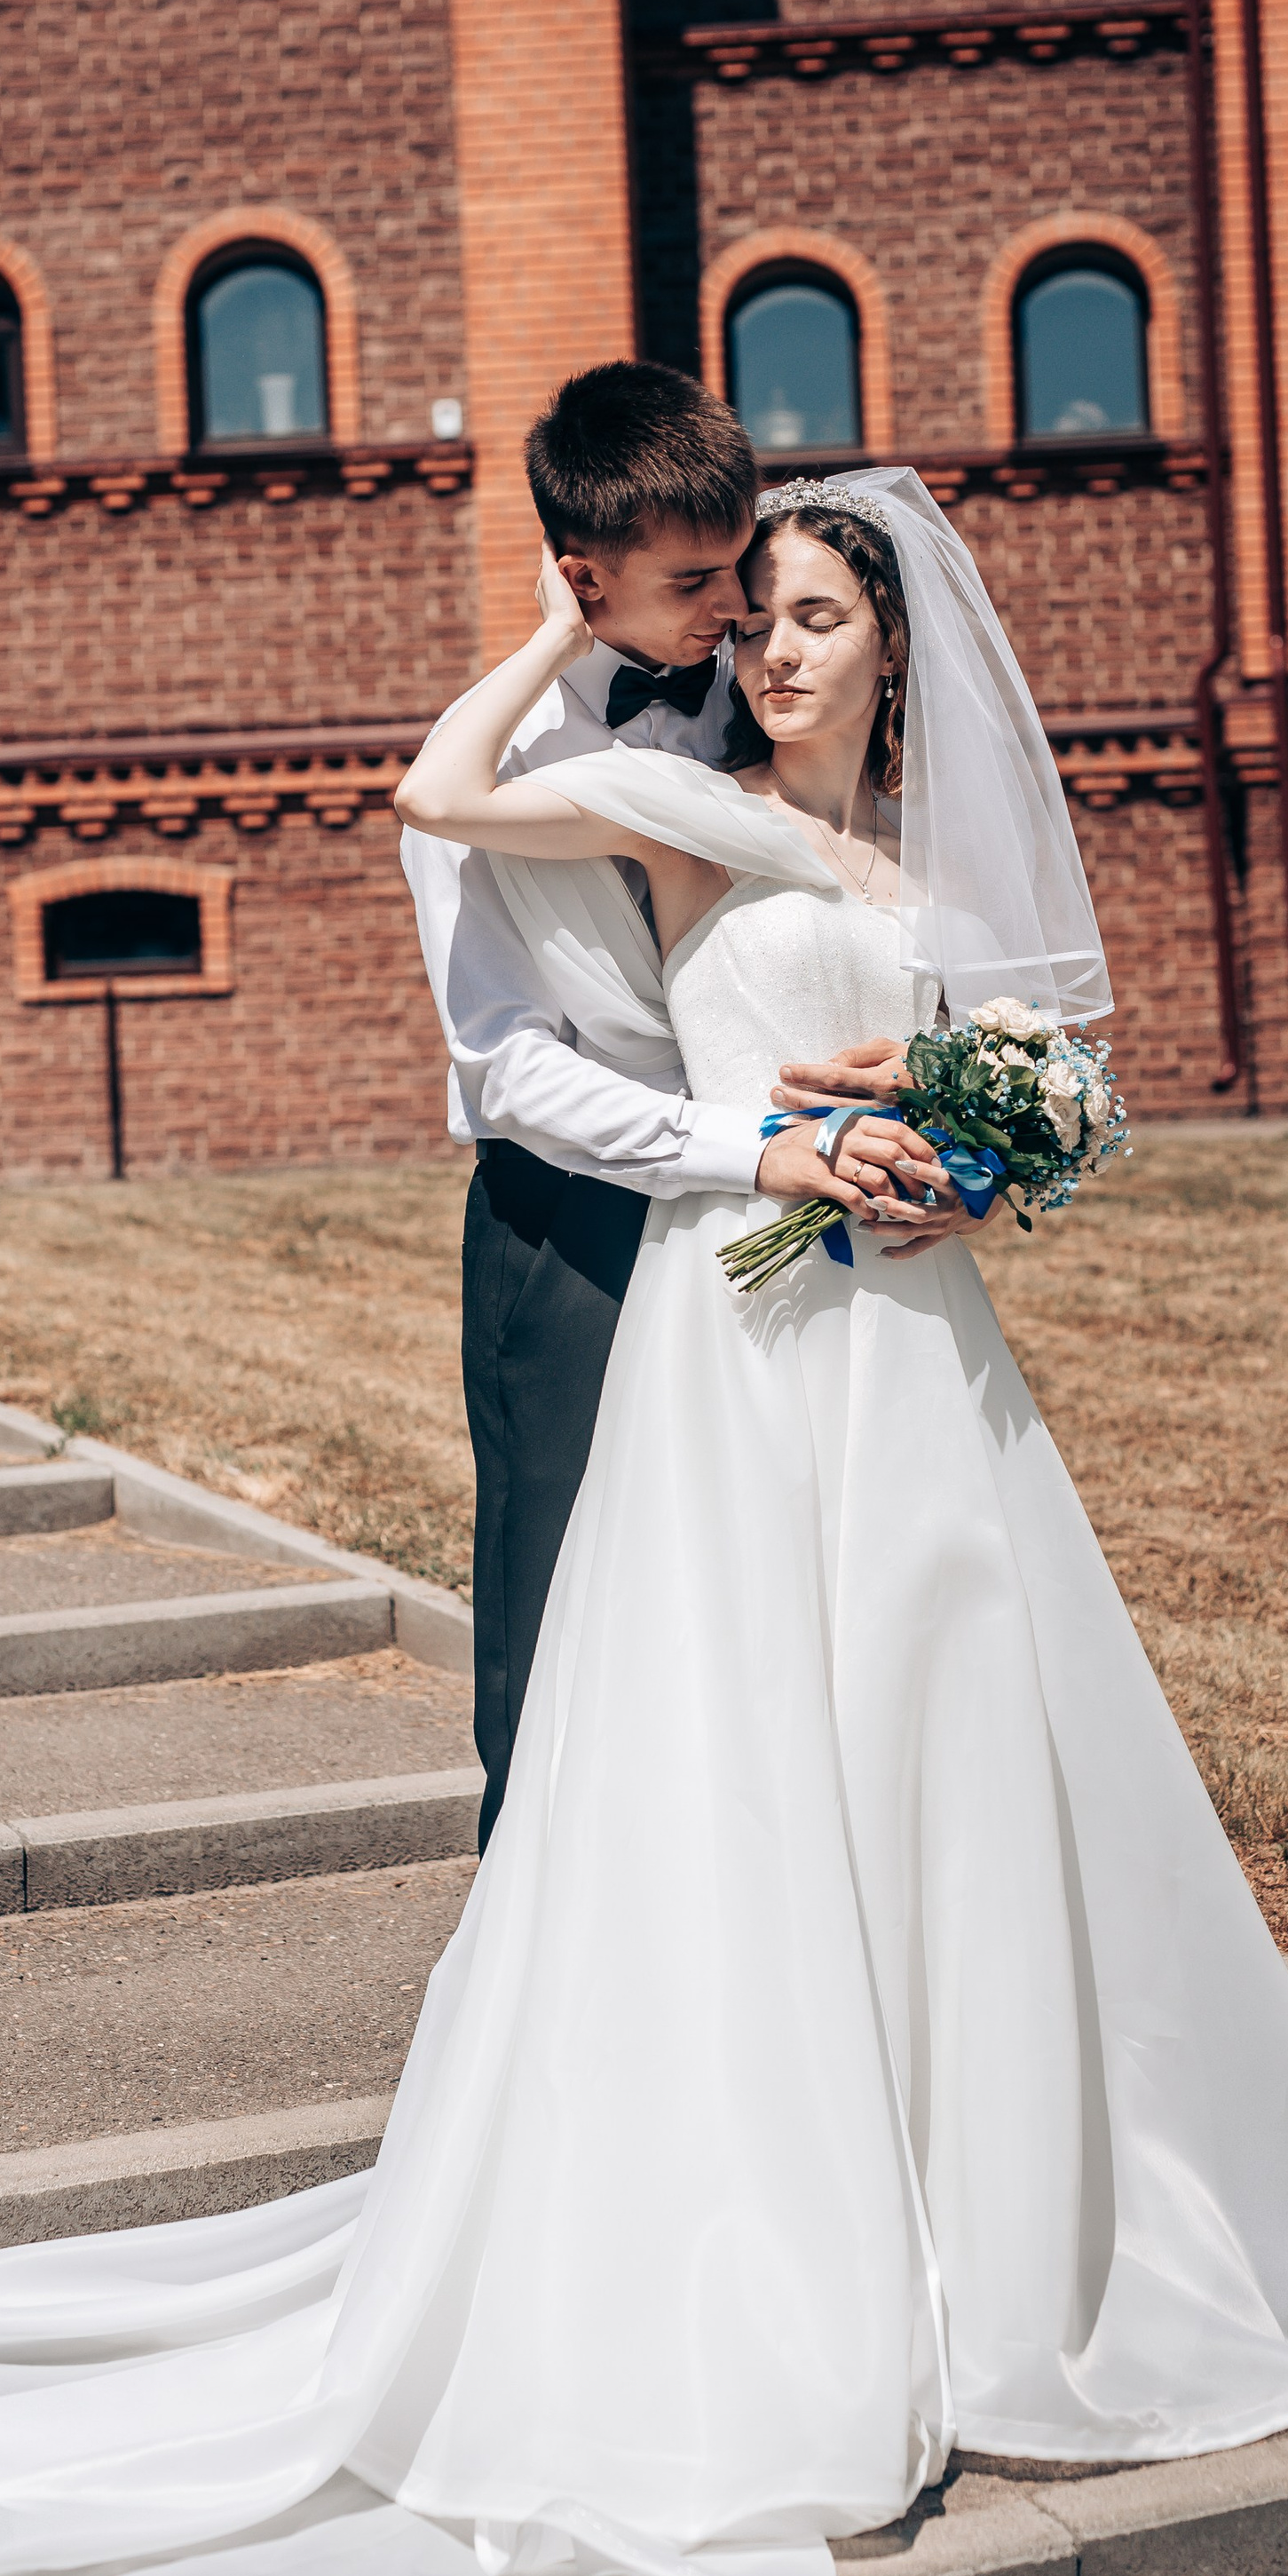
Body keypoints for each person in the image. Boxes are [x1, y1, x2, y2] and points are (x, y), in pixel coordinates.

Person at [0, 469, 1288, 2576]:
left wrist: (979, 1148)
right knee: (734, 1768)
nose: (774, 648)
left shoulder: (932, 863)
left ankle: (999, 2235)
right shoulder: (684, 808)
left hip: (916, 1369)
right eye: (755, 613)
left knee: (943, 1761)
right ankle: (767, 2247)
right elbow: (442, 792)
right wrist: (573, 629)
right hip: (733, 1346)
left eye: (817, 617)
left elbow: (1071, 1084)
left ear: (895, 646)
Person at [397, 362, 964, 1846]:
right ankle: (541, 1915)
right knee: (566, 1579)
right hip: (575, 1220)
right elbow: (512, 1071)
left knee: (780, 1594)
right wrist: (757, 1147)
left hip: (806, 1205)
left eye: (746, 575)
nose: (737, 616)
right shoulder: (510, 764)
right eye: (698, 583)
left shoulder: (760, 709)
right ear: (585, 580)